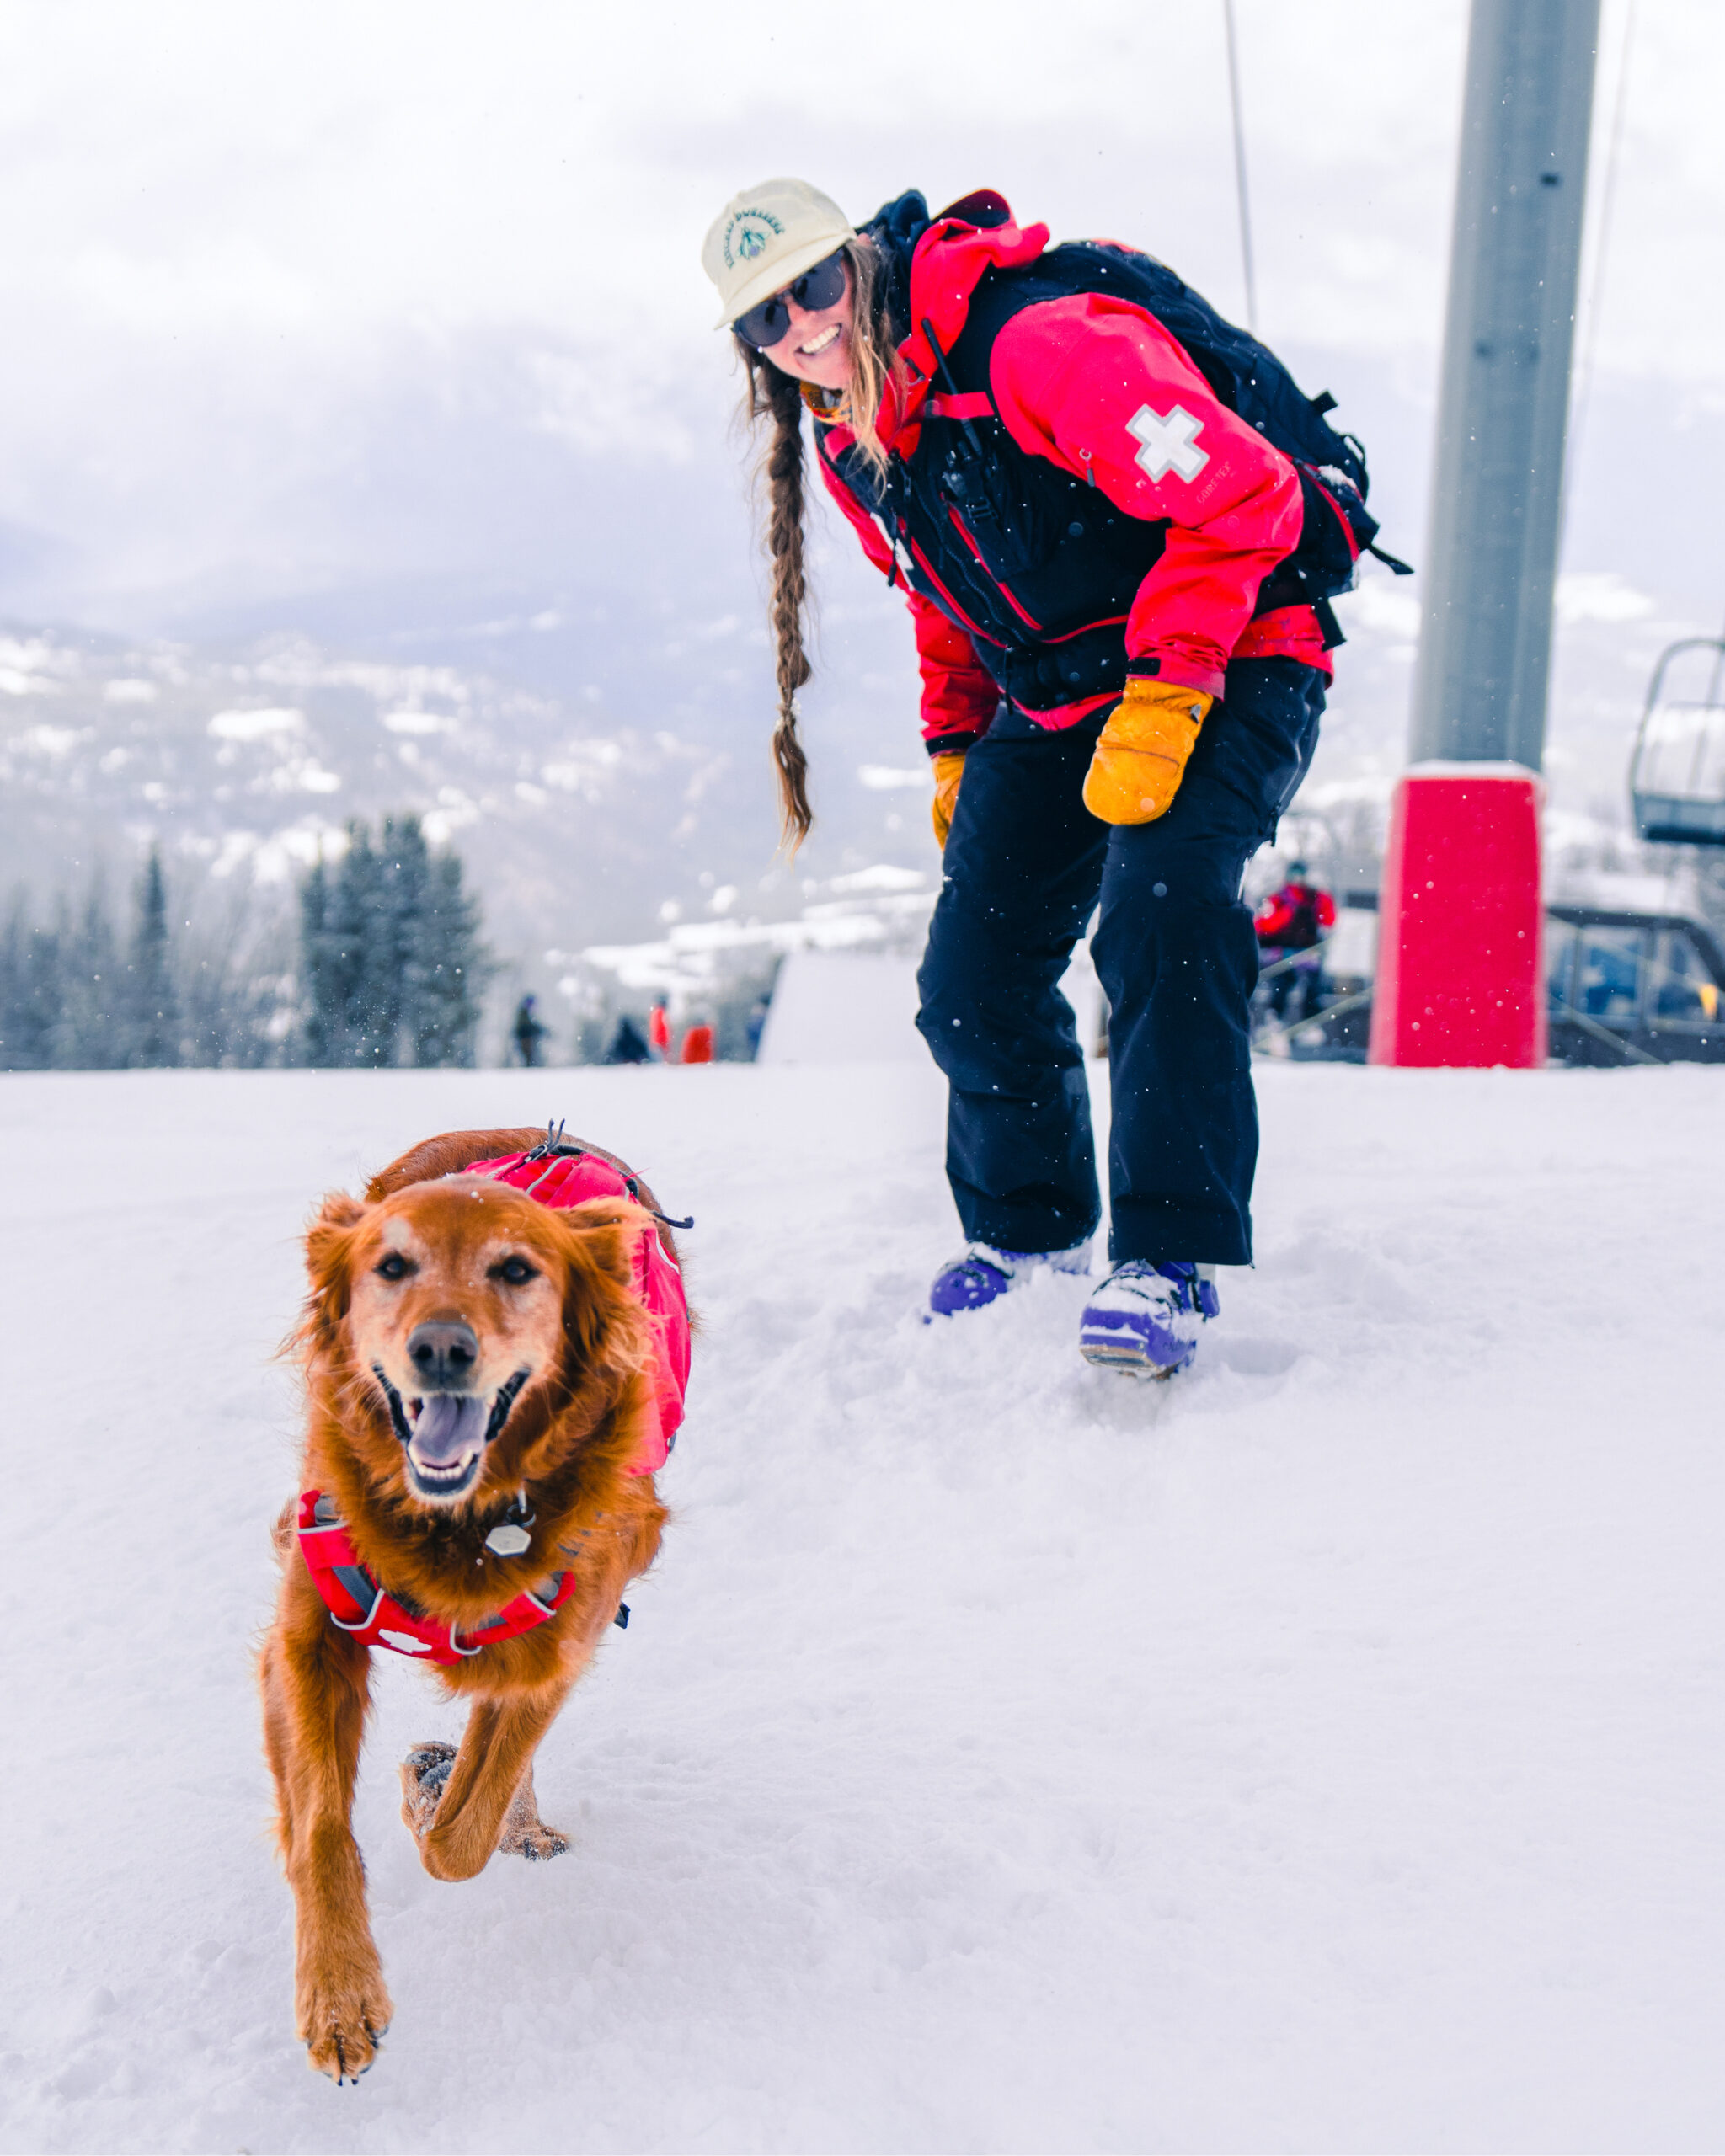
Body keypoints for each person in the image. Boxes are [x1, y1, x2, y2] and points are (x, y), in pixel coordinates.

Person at [702, 180, 1359, 1377]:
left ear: (858, 258)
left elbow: (1249, 496)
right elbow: (942, 599)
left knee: (1163, 903)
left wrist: (1170, 690)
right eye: (763, 318)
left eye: (813, 284)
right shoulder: (853, 433)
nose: (800, 324)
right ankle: (1029, 1231)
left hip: (1242, 646)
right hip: (1060, 694)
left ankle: (1167, 1257)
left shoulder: (1043, 348)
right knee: (973, 971)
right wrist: (957, 741)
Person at [1255, 862, 1336, 1024]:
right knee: (1284, 981)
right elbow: (1263, 925)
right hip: (1281, 951)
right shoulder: (1278, 898)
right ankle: (1275, 1020)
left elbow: (1329, 919)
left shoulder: (1316, 898)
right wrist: (1287, 912)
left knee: (1313, 985)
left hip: (1307, 951)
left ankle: (1310, 1022)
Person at [511, 992, 550, 1068]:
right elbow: (527, 1025)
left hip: (525, 1036)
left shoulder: (525, 1013)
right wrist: (539, 1030)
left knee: (529, 1055)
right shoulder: (523, 1013)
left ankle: (529, 1068)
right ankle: (528, 1069)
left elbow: (531, 1025)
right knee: (528, 1055)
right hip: (524, 1036)